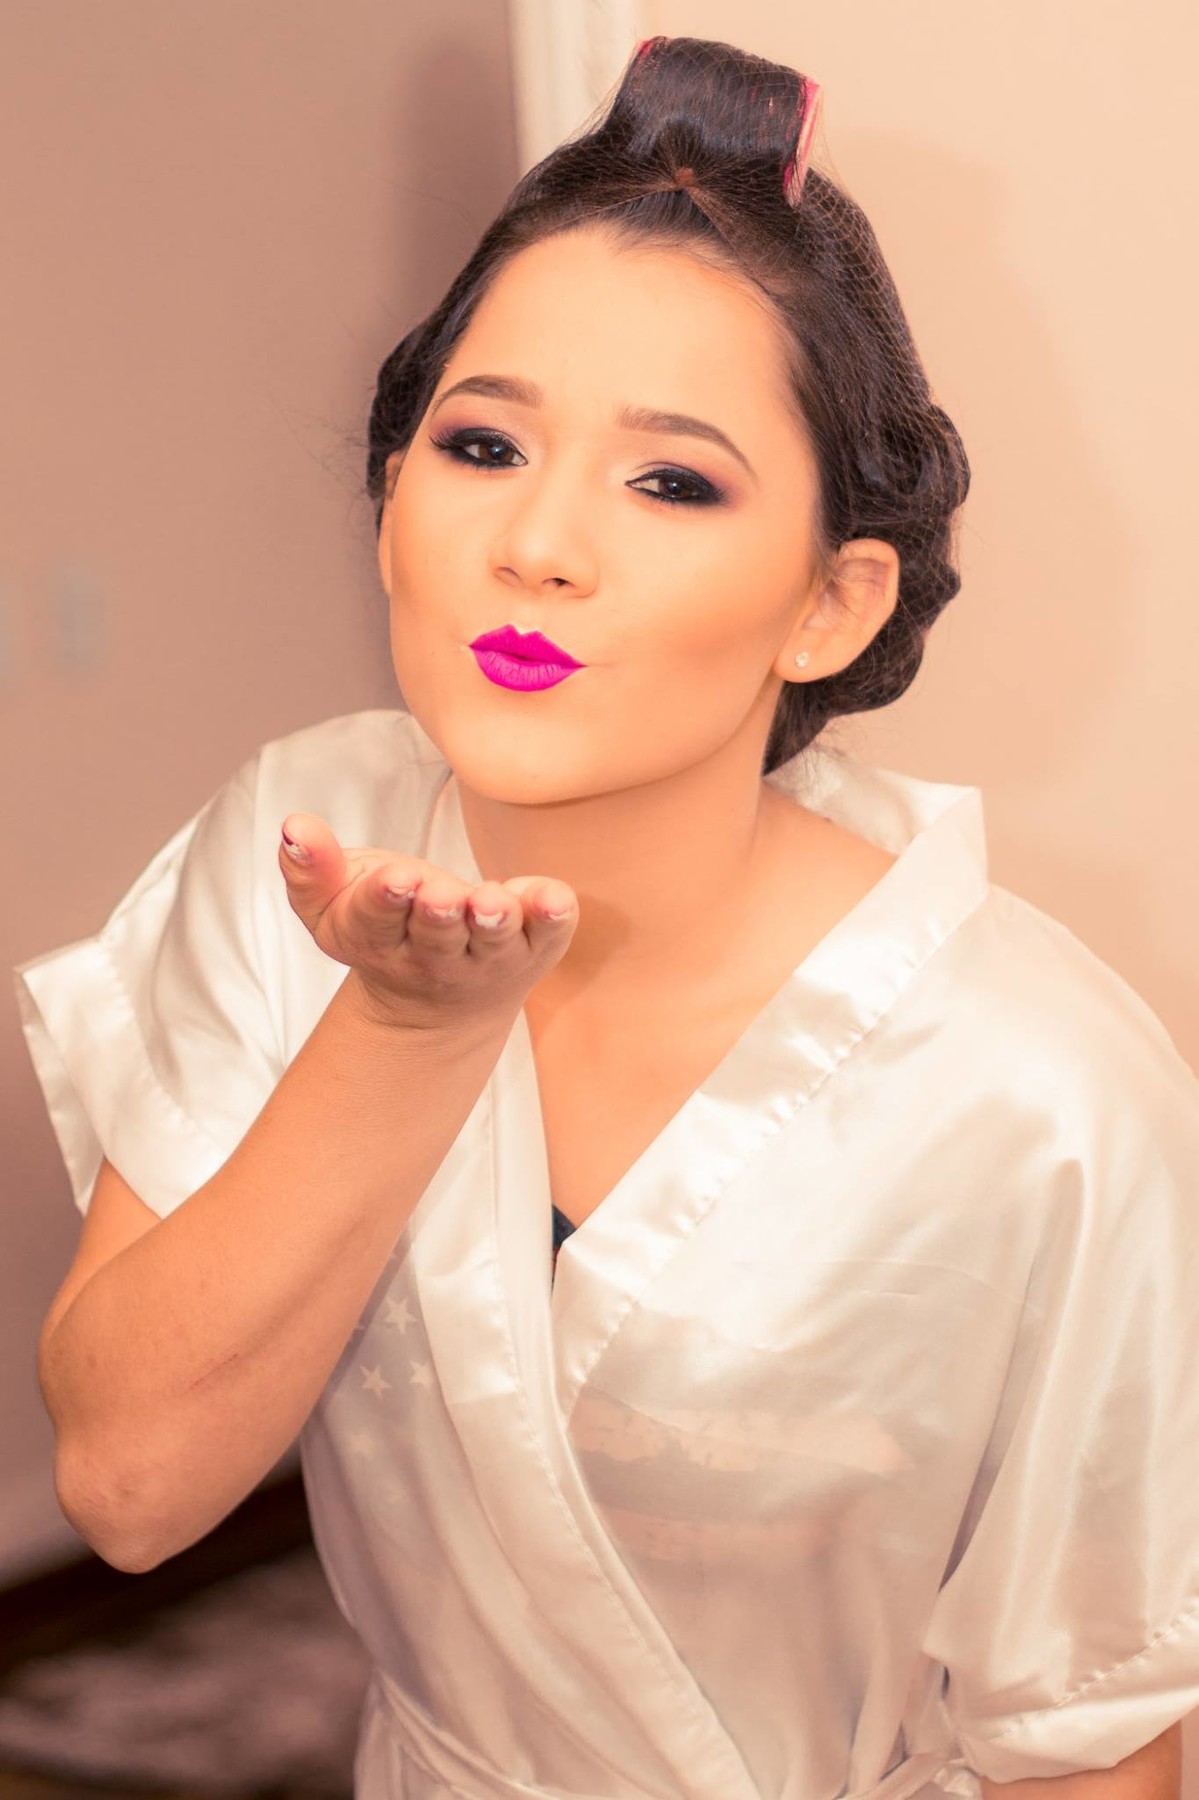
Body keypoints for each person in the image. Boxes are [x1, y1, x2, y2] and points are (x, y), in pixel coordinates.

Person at [15, 33, 1199, 1800]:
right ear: (394, 502)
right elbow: (128, 1484)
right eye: (483, 444)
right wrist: (405, 1028)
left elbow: (1091, 1741)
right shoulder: (293, 847)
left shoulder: (1046, 1096)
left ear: (831, 602)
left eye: (672, 481)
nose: (541, 545)